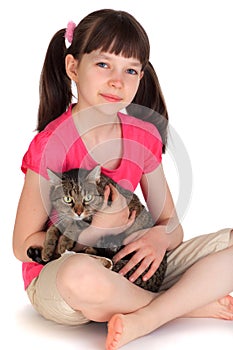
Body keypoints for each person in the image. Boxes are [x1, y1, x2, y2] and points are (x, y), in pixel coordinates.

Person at [12, 9, 233, 350]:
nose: (117, 81)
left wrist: (160, 239)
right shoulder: (50, 145)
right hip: (68, 276)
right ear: (73, 67)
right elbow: (22, 245)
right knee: (80, 276)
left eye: (130, 70)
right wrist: (99, 229)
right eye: (103, 64)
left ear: (141, 77)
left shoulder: (143, 136)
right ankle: (178, 307)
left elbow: (170, 225)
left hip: (131, 268)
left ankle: (145, 311)